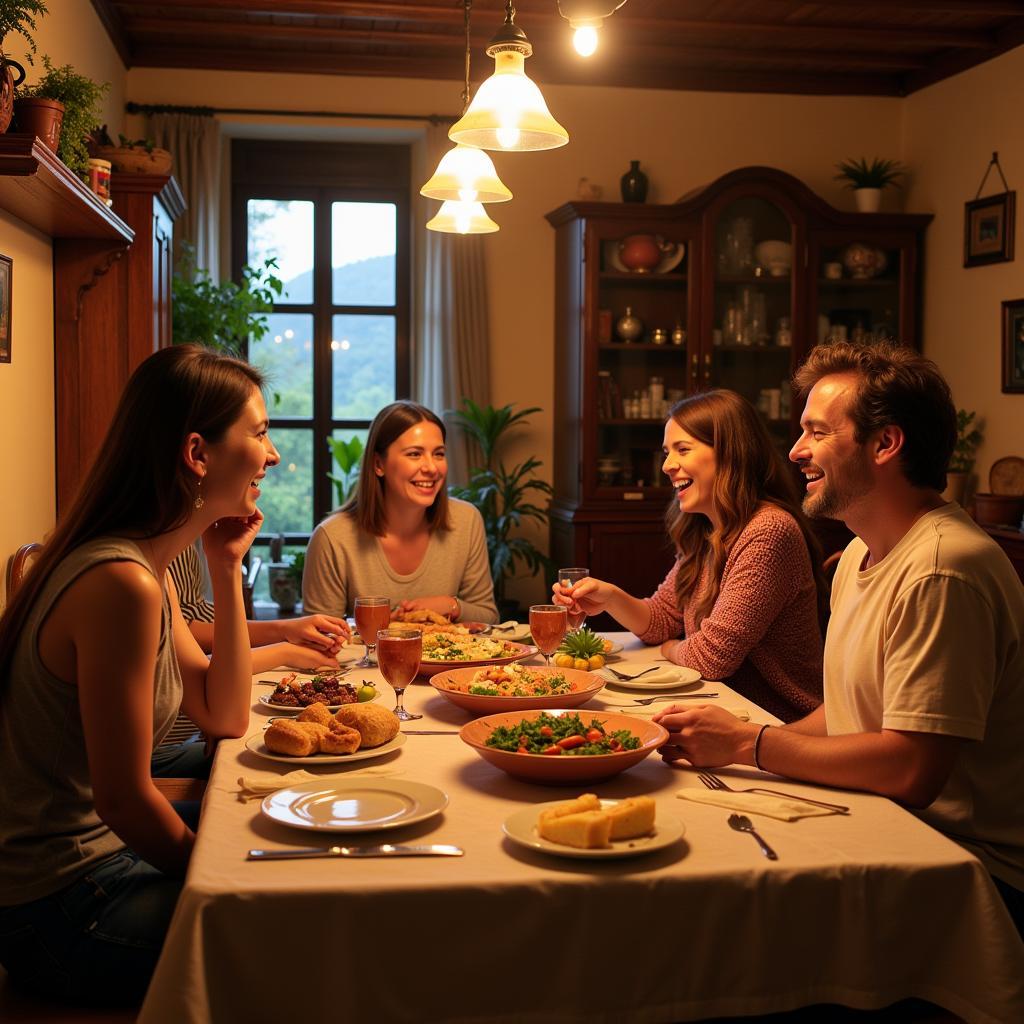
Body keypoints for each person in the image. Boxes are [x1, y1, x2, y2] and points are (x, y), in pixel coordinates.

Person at [654, 341, 1024, 935]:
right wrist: (739, 751)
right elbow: (850, 713)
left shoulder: (942, 568)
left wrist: (750, 746)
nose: (796, 451)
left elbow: (911, 769)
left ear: (885, 444)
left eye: (818, 432)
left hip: (967, 869)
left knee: (703, 919)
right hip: (885, 820)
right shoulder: (857, 554)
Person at [0, 345, 279, 1005]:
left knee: (278, 836)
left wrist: (224, 566)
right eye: (260, 433)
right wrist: (214, 879)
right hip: (58, 903)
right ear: (197, 454)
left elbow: (224, 715)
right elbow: (122, 799)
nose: (270, 456)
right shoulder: (120, 583)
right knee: (292, 930)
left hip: (97, 862)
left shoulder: (145, 566)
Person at [554, 389, 826, 722]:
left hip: (778, 722)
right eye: (667, 452)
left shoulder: (768, 531)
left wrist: (672, 648)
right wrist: (607, 597)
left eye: (683, 449)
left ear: (731, 454)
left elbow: (709, 658)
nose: (667, 465)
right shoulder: (705, 532)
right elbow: (660, 620)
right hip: (725, 708)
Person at [150, 545, 350, 780]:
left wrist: (284, 632)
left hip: (181, 737)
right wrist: (283, 648)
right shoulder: (140, 571)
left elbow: (190, 619)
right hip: (164, 750)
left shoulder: (161, 566)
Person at [302, 400, 497, 623]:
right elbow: (320, 638)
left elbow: (488, 618)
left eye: (439, 454)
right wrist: (385, 627)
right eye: (414, 454)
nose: (431, 468)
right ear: (378, 464)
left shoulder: (467, 520)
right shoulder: (332, 537)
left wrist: (450, 605)